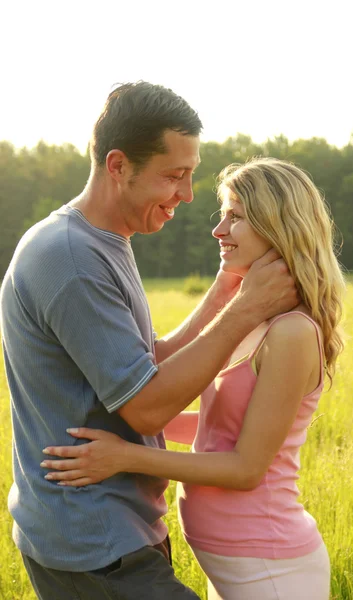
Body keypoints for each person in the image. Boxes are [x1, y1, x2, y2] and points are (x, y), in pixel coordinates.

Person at [0, 83, 298, 600]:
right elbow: (146, 408)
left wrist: (224, 293)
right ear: (118, 166)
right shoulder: (71, 259)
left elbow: (144, 363)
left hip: (114, 530)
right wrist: (247, 308)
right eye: (173, 176)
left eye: (191, 174)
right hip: (93, 544)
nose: (186, 195)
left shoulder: (105, 240)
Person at [41, 157, 346, 600]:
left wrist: (125, 456)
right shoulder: (257, 319)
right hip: (232, 561)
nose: (218, 231)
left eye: (235, 217)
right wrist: (128, 420)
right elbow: (218, 426)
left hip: (271, 568)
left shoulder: (293, 331)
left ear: (278, 225)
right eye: (222, 216)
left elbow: (244, 468)